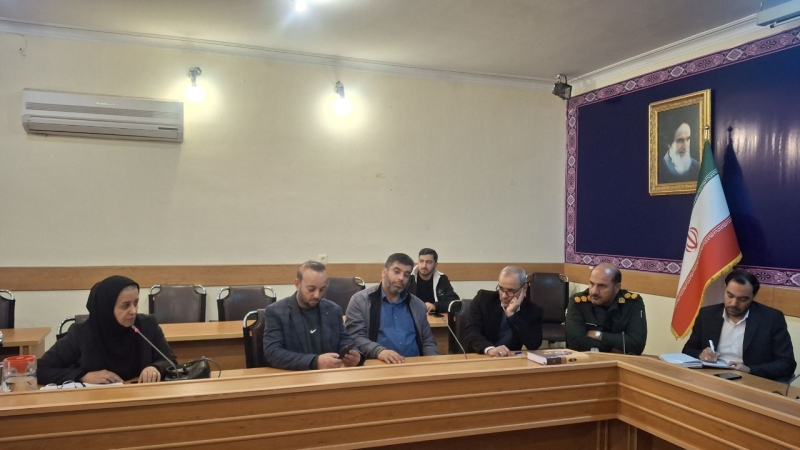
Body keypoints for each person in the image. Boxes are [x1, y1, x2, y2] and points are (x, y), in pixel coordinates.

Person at [38, 275, 176, 385]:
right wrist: (83, 376)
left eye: (135, 303)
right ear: (106, 309)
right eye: (125, 306)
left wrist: (156, 368)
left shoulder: (147, 326)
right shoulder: (81, 334)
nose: (133, 311)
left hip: (140, 398)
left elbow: (170, 361)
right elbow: (41, 369)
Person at [682, 270, 796, 381]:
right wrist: (701, 354)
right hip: (711, 377)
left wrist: (750, 370)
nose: (734, 303)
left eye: (742, 299)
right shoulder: (707, 314)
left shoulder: (771, 319)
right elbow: (688, 350)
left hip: (750, 380)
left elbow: (787, 364)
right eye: (730, 295)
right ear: (725, 288)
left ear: (753, 296)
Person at [263, 261, 363, 370]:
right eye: (311, 289)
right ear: (297, 284)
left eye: (322, 289)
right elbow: (272, 353)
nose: (317, 295)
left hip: (330, 376)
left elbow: (344, 340)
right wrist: (314, 361)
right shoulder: (275, 312)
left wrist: (355, 355)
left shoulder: (333, 310)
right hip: (294, 375)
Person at [346, 253, 438, 363]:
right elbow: (355, 336)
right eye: (396, 272)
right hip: (379, 364)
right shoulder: (360, 300)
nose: (401, 278)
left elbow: (427, 341)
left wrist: (434, 363)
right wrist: (379, 351)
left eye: (406, 275)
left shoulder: (417, 304)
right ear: (384, 272)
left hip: (414, 364)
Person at [565, 263, 647, 354]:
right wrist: (613, 349)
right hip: (586, 359)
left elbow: (637, 344)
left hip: (622, 361)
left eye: (602, 286)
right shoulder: (578, 302)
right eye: (592, 284)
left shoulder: (632, 303)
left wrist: (599, 335)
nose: (594, 291)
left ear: (617, 287)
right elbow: (575, 342)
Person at [461, 266, 543, 356]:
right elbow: (471, 332)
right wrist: (490, 349)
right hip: (479, 355)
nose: (504, 296)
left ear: (524, 288)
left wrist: (512, 315)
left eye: (511, 291)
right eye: (501, 288)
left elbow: (534, 344)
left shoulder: (533, 310)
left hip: (508, 358)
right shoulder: (483, 299)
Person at [407, 248, 460, 314]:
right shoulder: (409, 277)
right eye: (421, 261)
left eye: (429, 262)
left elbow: (455, 303)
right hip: (411, 315)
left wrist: (435, 306)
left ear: (435, 265)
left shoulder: (442, 279)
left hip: (434, 317)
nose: (424, 266)